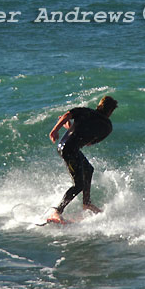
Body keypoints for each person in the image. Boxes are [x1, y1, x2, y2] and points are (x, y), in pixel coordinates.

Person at [47, 95, 118, 224]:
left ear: (99, 105)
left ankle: (87, 203)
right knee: (79, 184)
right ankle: (57, 211)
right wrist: (70, 128)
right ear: (111, 111)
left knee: (89, 169)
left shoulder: (86, 111)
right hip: (69, 150)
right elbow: (88, 142)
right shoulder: (107, 126)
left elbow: (67, 115)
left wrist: (55, 130)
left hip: (69, 149)